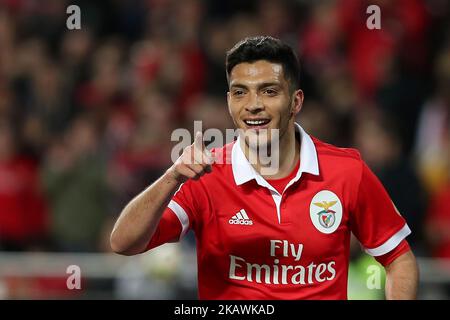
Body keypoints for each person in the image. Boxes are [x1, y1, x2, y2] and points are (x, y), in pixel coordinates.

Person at [110, 36, 419, 299]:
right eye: (241, 92)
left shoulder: (346, 171)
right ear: (229, 101)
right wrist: (171, 177)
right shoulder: (205, 175)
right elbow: (124, 243)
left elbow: (399, 259)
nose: (253, 104)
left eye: (269, 91)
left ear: (295, 102)